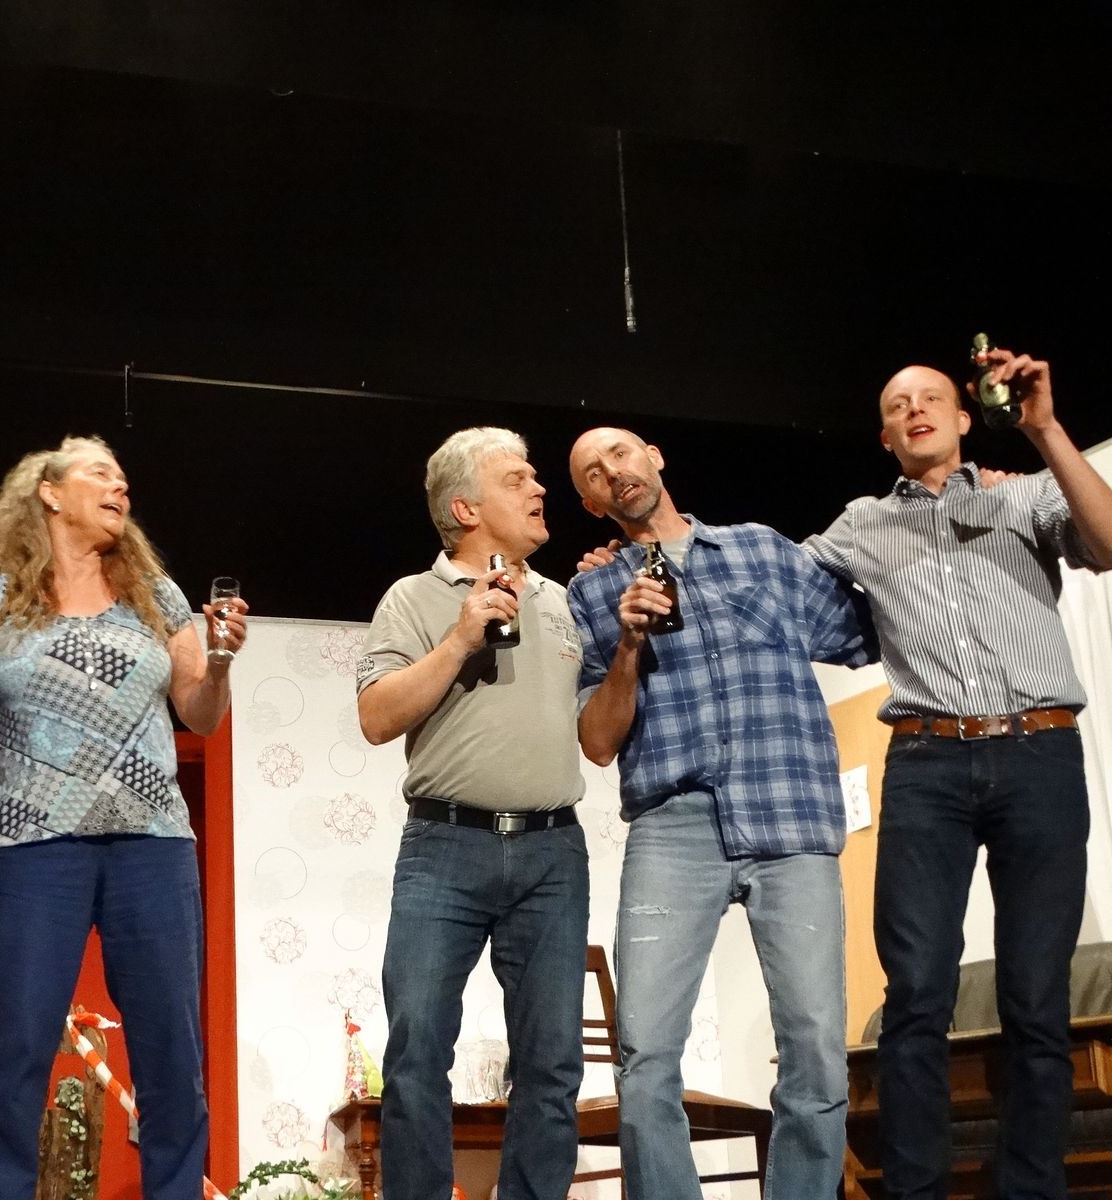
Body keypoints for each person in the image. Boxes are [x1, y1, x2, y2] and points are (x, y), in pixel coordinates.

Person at [804, 348, 1112, 1200]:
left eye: (931, 397)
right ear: (884, 436)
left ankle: (1031, 1190)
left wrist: (1046, 429)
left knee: (1037, 996)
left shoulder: (1024, 494)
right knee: (915, 996)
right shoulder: (861, 523)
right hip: (927, 763)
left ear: (965, 416)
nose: (915, 409)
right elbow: (772, 582)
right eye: (897, 404)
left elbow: (1109, 542)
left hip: (1039, 752)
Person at [566, 426, 877, 1200]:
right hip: (673, 827)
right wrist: (628, 645)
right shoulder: (590, 595)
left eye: (621, 453)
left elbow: (863, 632)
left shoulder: (761, 550)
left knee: (815, 1046)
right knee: (645, 1053)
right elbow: (597, 742)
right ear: (590, 504)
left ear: (655, 456)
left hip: (788, 812)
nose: (613, 471)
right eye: (592, 473)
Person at [0, 436, 244, 1200]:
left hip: (152, 844)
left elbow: (200, 714)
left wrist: (218, 660)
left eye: (123, 478)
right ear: (49, 493)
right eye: (100, 474)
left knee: (170, 1054)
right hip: (36, 848)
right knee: (14, 1047)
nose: (121, 487)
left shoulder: (157, 597)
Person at [354, 427, 590, 1200]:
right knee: (418, 1048)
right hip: (444, 847)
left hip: (553, 853)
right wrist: (460, 638)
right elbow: (377, 717)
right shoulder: (411, 598)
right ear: (465, 508)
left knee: (552, 1062)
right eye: (516, 479)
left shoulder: (563, 602)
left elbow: (596, 734)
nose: (540, 488)